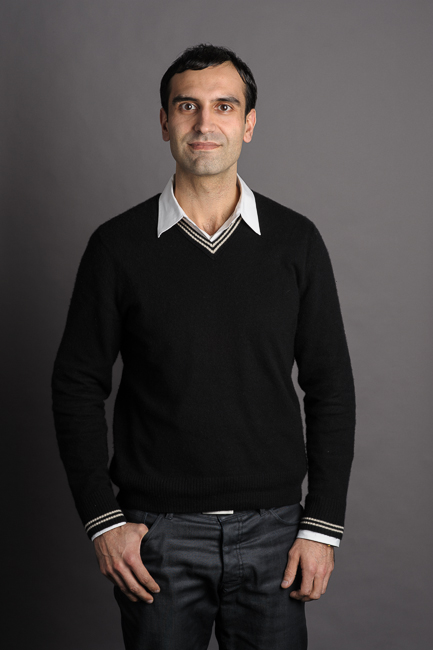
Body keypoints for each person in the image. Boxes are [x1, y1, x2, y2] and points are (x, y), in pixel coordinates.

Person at [52, 43, 356, 650]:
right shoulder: (117, 246)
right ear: (165, 122)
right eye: (187, 106)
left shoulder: (295, 242)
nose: (204, 123)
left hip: (276, 536)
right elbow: (76, 385)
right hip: (155, 539)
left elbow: (331, 388)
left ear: (249, 123)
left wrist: (322, 526)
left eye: (224, 105)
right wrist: (102, 522)